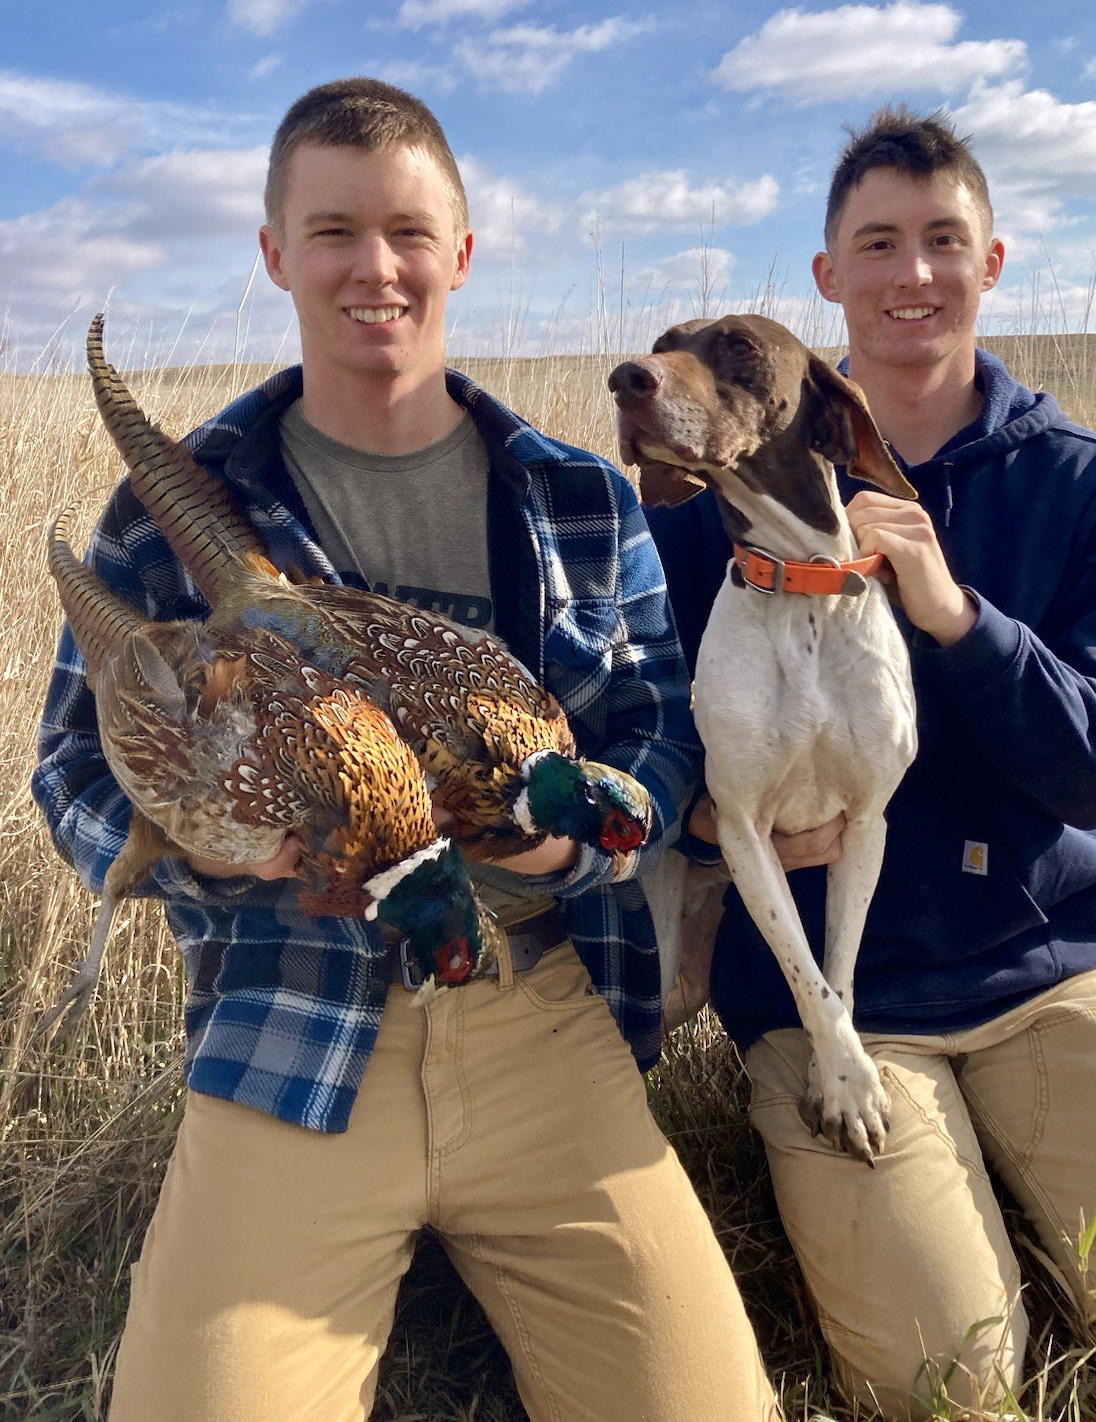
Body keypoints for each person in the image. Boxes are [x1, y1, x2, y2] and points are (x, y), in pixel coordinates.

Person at [33, 78, 781, 1422]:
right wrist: (229, 847)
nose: (374, 268)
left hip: (541, 1021)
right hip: (290, 1017)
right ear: (276, 254)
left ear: (461, 254)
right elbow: (69, 775)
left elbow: (660, 736)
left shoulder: (581, 497)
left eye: (408, 233)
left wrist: (577, 836)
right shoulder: (172, 508)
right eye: (333, 232)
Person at [647, 106, 1096, 1418]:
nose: (914, 273)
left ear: (990, 263)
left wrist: (958, 620)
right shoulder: (708, 499)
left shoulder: (1094, 489)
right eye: (878, 244)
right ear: (828, 276)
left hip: (1043, 974)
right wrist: (707, 821)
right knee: (944, 1386)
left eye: (944, 240)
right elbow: (629, 726)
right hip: (840, 1010)